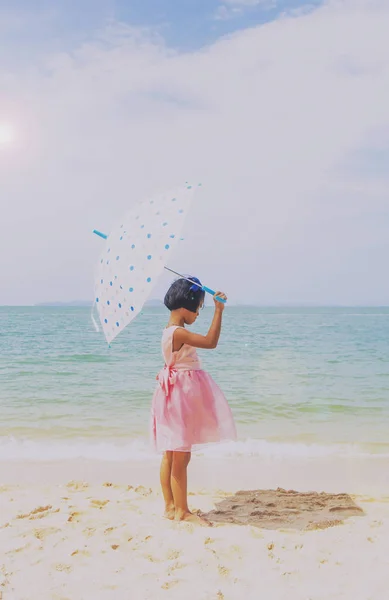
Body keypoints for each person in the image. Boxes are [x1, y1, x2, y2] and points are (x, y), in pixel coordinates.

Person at [150, 276, 237, 525]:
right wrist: (219, 310)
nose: (199, 312)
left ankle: (170, 506)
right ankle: (182, 511)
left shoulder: (170, 331)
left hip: (174, 394)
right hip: (179, 396)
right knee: (181, 456)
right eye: (199, 307)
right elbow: (211, 342)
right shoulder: (178, 332)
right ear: (186, 304)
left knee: (171, 452)